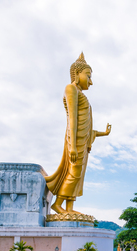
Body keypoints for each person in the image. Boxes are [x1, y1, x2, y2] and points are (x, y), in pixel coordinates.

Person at [46, 53, 111, 214]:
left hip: (82, 139)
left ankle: (69, 208)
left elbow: (86, 125)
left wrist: (103, 133)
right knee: (74, 171)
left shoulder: (81, 94)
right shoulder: (71, 89)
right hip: (74, 139)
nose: (91, 81)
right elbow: (73, 119)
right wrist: (73, 146)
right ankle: (57, 204)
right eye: (88, 76)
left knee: (78, 174)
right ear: (77, 74)